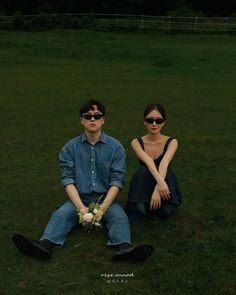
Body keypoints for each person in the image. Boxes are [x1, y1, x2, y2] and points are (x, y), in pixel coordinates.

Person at [12, 99, 153, 263]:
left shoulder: (115, 147)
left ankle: (125, 249)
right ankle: (43, 246)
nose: (92, 119)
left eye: (97, 115)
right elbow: (68, 180)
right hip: (79, 199)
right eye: (88, 116)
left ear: (103, 120)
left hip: (105, 199)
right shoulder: (69, 148)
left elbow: (117, 181)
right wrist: (81, 208)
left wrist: (102, 209)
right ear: (82, 120)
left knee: (119, 217)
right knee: (61, 215)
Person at [125, 103, 182, 224]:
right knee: (143, 170)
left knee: (166, 170)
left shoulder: (172, 142)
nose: (154, 124)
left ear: (163, 122)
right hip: (144, 182)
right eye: (150, 120)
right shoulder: (136, 142)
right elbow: (148, 161)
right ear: (144, 122)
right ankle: (142, 208)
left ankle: (163, 209)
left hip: (165, 183)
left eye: (158, 120)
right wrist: (159, 184)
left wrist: (158, 189)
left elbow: (164, 163)